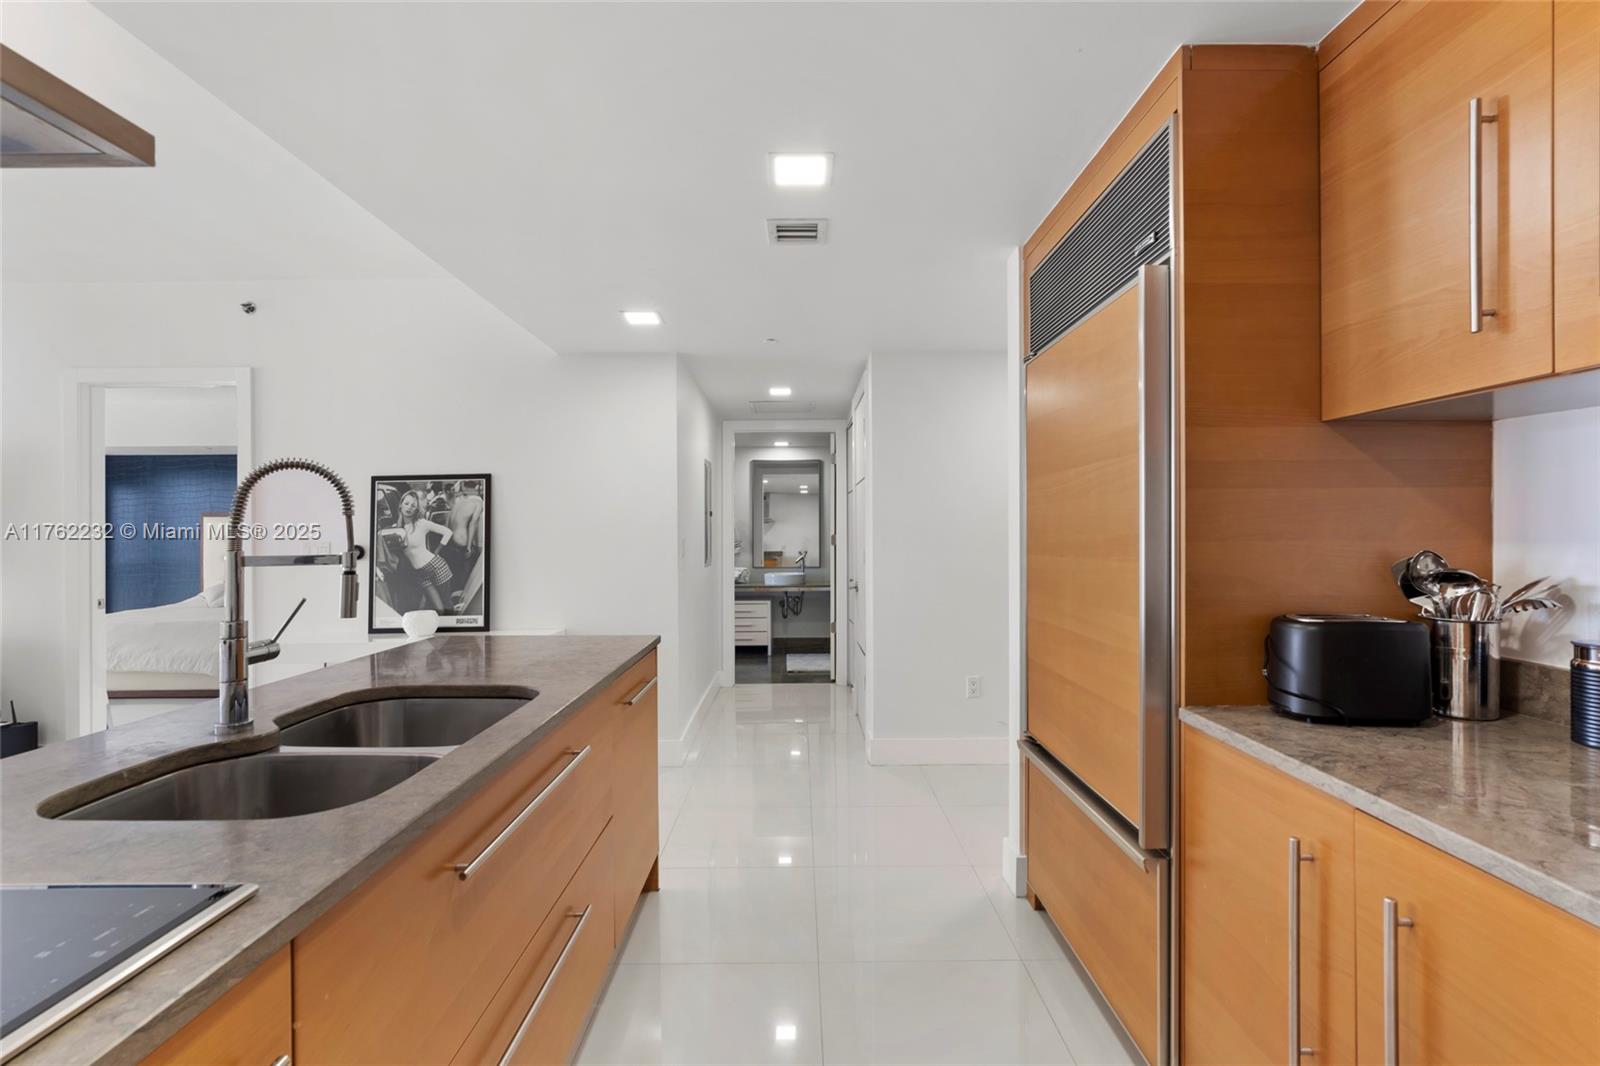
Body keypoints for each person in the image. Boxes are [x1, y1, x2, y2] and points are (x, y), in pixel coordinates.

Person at [379, 490, 455, 613]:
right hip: (420, 573)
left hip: (436, 567)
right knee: (439, 609)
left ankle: (454, 629)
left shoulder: (421, 523)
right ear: (400, 505)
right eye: (407, 503)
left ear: (416, 509)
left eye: (413, 505)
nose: (409, 507)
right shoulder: (395, 529)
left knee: (447, 604)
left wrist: (437, 551)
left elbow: (448, 532)